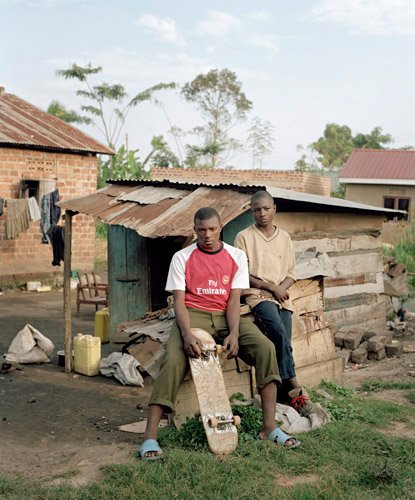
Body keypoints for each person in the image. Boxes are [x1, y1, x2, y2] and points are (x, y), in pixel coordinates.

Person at [140, 207, 300, 460]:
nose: (207, 235)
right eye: (201, 230)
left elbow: (234, 300)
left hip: (225, 315)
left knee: (266, 348)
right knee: (172, 361)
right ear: (194, 230)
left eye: (213, 229)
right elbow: (179, 302)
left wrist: (235, 333)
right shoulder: (182, 257)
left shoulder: (235, 256)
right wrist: (186, 334)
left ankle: (269, 428)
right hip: (194, 314)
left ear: (220, 228)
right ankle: (150, 437)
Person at [234, 191, 309, 409]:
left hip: (282, 296)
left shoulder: (284, 237)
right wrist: (270, 288)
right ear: (251, 211)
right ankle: (293, 384)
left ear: (274, 209)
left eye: (266, 209)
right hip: (258, 295)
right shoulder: (244, 237)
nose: (262, 214)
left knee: (283, 341)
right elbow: (242, 273)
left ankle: (280, 395)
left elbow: (291, 272)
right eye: (257, 210)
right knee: (277, 331)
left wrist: (279, 290)